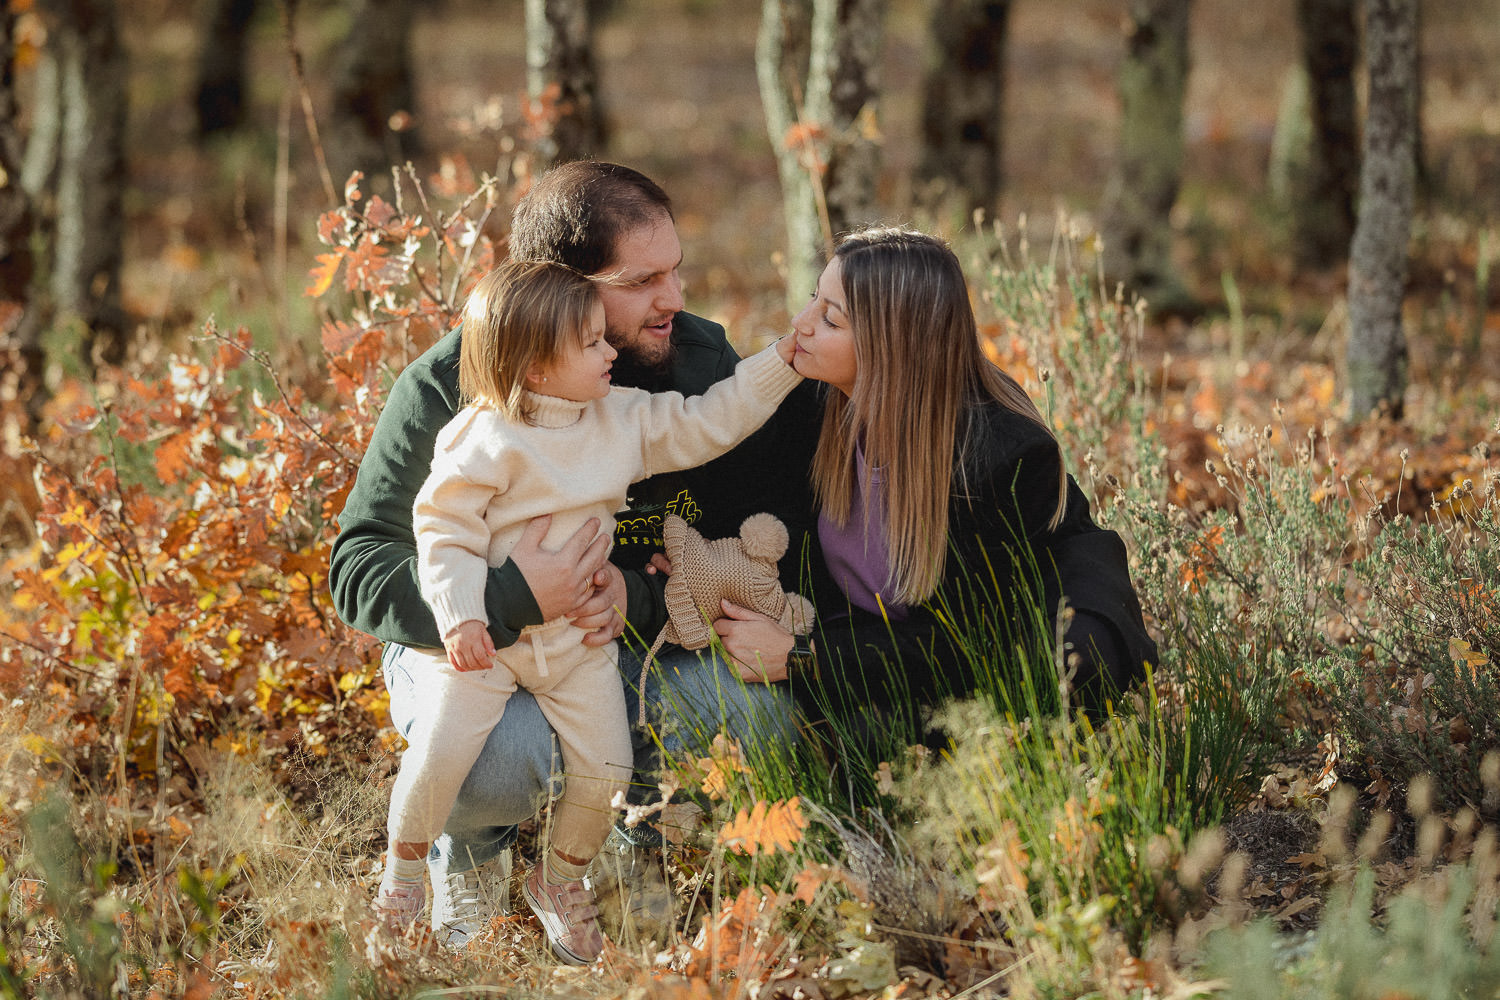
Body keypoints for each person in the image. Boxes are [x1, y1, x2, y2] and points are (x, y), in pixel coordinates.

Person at [329, 161, 821, 949]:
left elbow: (747, 533)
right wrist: (510, 595)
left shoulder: (688, 366)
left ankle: (627, 840)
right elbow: (359, 567)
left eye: (677, 271)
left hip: (609, 649)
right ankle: (471, 853)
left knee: (755, 717)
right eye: (643, 281)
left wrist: (639, 596)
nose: (675, 300)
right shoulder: (453, 388)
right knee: (497, 758)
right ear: (561, 288)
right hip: (478, 650)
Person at [702, 228, 1157, 780]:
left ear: (893, 346)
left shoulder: (1000, 457)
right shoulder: (816, 403)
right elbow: (723, 471)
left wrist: (805, 658)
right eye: (812, 299)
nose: (801, 323)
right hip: (867, 639)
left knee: (868, 750)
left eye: (831, 318)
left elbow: (972, 645)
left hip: (993, 664)